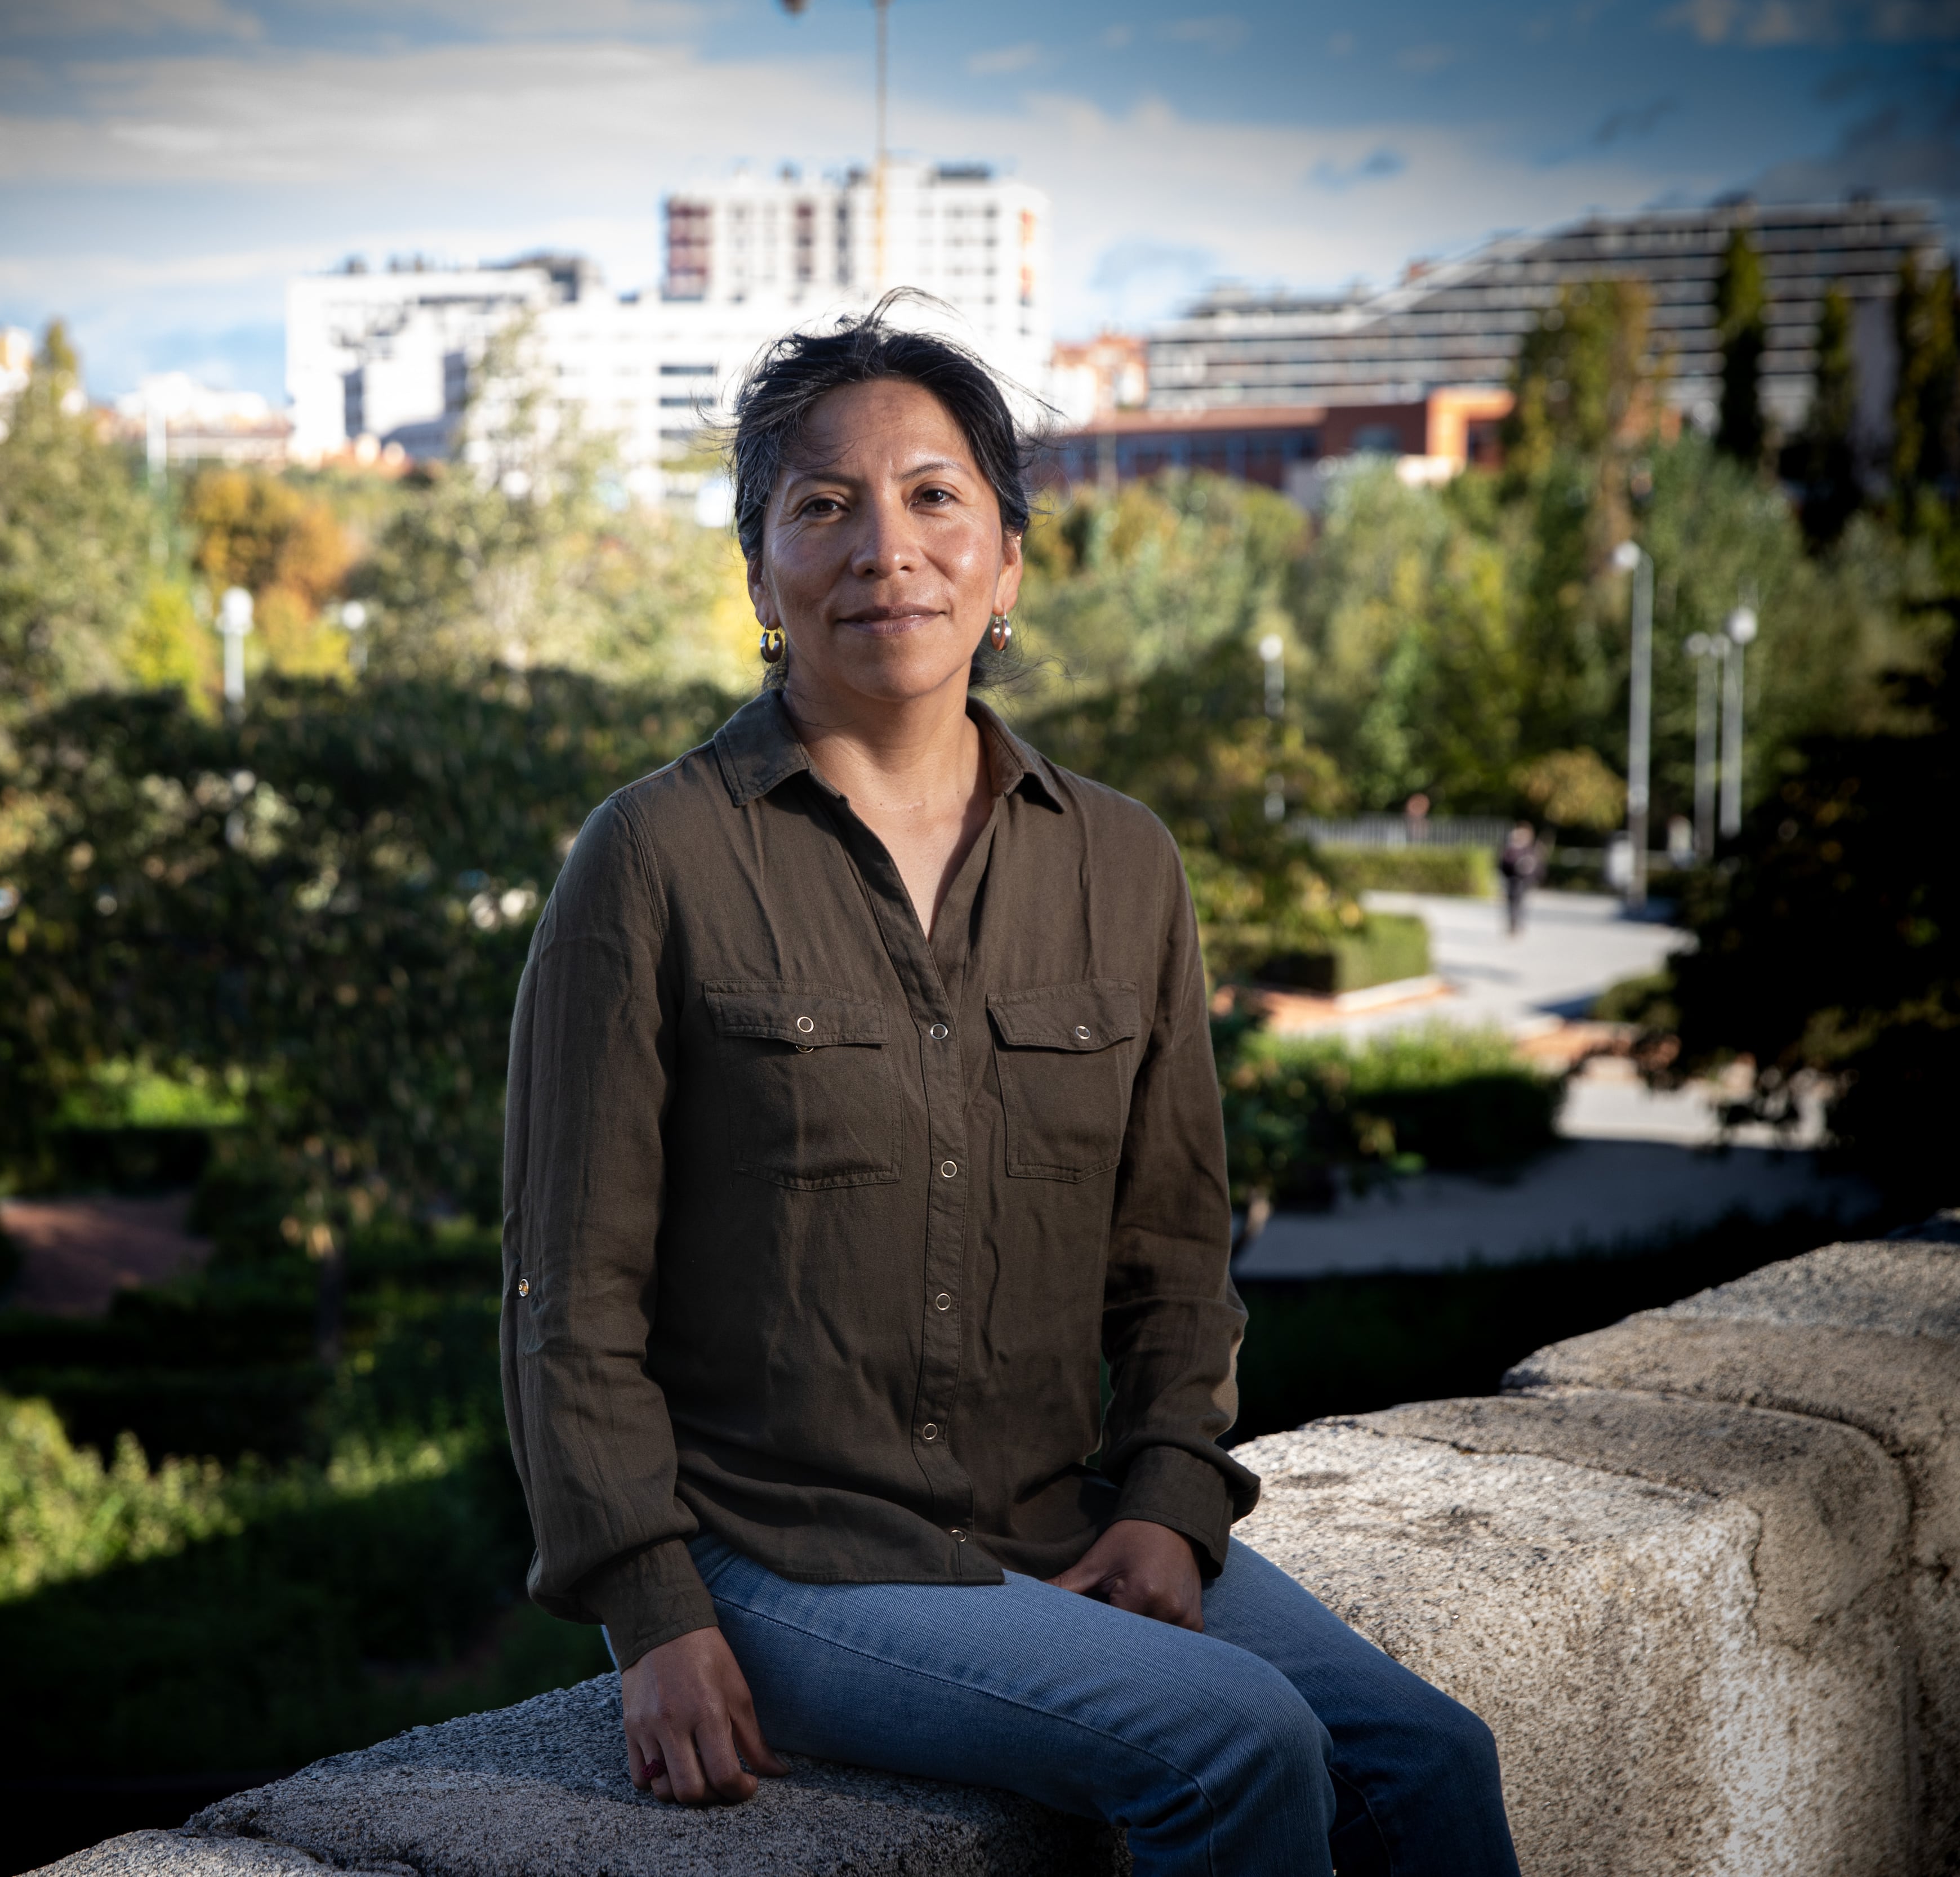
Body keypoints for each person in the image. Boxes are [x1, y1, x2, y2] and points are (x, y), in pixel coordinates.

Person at [498, 301, 1520, 1877]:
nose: (881, 547)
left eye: (933, 495)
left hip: (1060, 1515)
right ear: (762, 571)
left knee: (1432, 1761)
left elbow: (1177, 1250)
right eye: (820, 504)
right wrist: (651, 1611)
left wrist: (1174, 1498)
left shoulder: (1121, 862)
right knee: (1233, 1741)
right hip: (786, 1561)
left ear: (1009, 562)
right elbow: (570, 1289)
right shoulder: (655, 858)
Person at [1498, 822, 1544, 937]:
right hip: (1513, 880)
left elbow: (1538, 866)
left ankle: (1519, 923)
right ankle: (1513, 924)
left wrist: (1533, 873)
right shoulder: (1510, 849)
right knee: (1512, 903)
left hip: (1526, 881)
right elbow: (1503, 864)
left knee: (1522, 903)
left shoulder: (1531, 849)